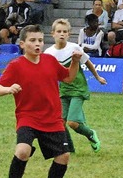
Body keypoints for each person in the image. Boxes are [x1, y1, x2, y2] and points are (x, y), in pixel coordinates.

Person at [0, 25, 82, 178]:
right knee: (23, 151)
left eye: (40, 40)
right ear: (22, 43)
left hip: (52, 119)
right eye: (33, 40)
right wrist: (8, 89)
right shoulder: (16, 65)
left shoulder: (50, 60)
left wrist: (75, 62)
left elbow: (68, 78)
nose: (37, 44)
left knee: (64, 157)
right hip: (28, 118)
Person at [45, 19, 105, 153]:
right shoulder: (48, 53)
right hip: (63, 90)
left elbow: (87, 62)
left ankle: (90, 134)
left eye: (64, 32)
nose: (62, 34)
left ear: (69, 34)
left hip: (78, 89)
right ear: (52, 34)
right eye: (59, 31)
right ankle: (69, 148)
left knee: (72, 123)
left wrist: (98, 77)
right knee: (60, 122)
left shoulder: (74, 48)